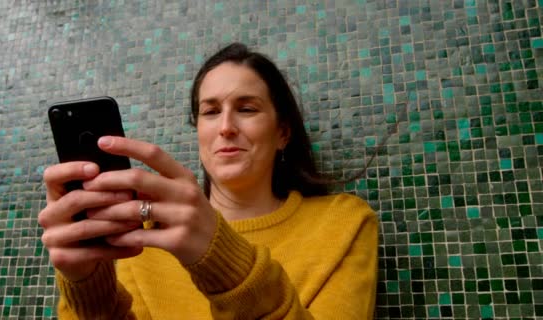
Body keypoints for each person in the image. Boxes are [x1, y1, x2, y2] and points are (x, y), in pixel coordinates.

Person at [38, 42, 378, 319]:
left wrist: (217, 255)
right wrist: (89, 291)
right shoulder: (140, 242)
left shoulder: (343, 223)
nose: (226, 127)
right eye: (211, 112)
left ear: (283, 133)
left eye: (247, 109)